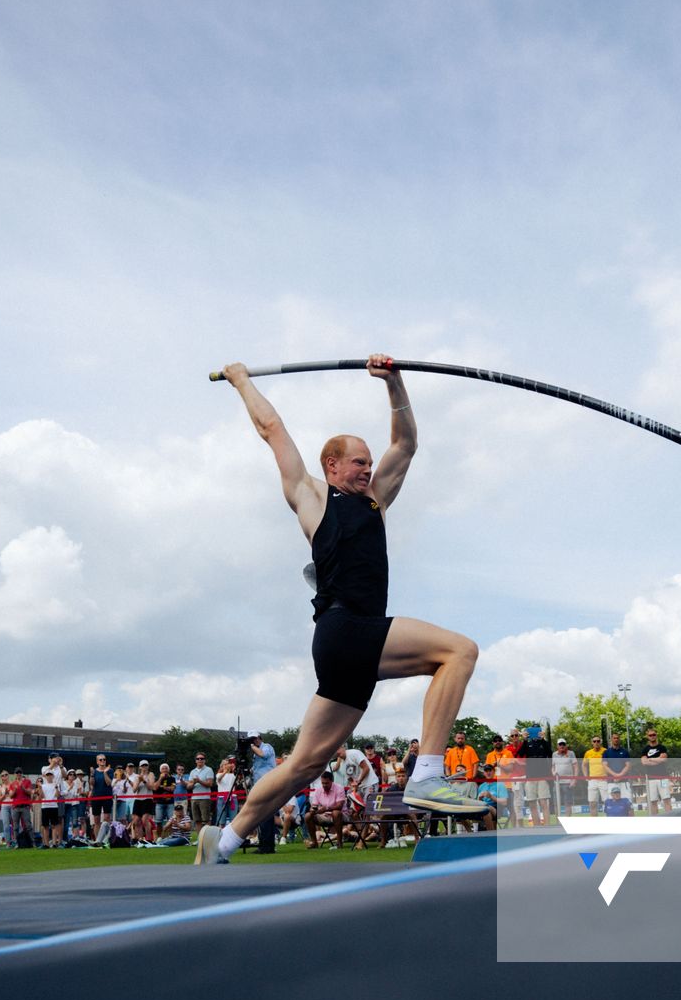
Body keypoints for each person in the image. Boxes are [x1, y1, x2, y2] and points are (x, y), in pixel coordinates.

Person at [201, 358, 487, 862]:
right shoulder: (312, 497)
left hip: (346, 646)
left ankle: (222, 842)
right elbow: (272, 429)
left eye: (369, 463)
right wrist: (242, 380)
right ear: (332, 464)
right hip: (347, 628)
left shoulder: (375, 501)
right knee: (458, 652)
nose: (368, 469)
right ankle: (427, 776)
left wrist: (393, 383)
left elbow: (406, 445)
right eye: (359, 462)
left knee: (304, 765)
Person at [640, 728, 672, 813]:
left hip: (663, 778)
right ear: (648, 737)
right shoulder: (645, 749)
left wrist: (650, 759)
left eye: (654, 734)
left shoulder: (662, 747)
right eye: (650, 735)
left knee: (666, 799)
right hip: (650, 779)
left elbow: (664, 760)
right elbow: (644, 762)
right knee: (653, 801)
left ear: (656, 735)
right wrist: (657, 760)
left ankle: (670, 820)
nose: (652, 736)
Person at [551, 737, 580, 819]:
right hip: (557, 783)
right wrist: (553, 773)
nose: (562, 746)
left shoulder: (571, 753)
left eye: (563, 744)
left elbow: (576, 767)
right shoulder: (554, 754)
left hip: (568, 782)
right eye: (560, 744)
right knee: (556, 803)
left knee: (568, 803)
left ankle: (567, 821)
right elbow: (553, 767)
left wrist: (574, 779)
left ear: (566, 745)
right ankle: (558, 822)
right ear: (557, 746)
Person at [603, 735, 633, 811]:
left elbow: (628, 765)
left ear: (619, 739)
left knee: (629, 806)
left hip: (624, 782)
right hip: (611, 783)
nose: (616, 739)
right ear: (611, 740)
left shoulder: (625, 752)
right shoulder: (606, 752)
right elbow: (605, 766)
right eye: (614, 738)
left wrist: (620, 776)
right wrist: (615, 775)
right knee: (612, 807)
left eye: (617, 738)